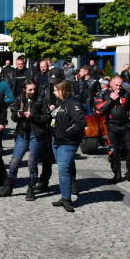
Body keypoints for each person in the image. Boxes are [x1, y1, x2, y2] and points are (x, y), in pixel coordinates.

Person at [0, 80, 49, 200]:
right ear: (24, 89)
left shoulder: (40, 99)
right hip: (22, 132)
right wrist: (18, 115)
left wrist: (33, 116)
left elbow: (46, 117)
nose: (32, 92)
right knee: (15, 161)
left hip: (36, 133)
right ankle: (9, 186)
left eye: (34, 89)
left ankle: (30, 188)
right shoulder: (19, 99)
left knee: (32, 161)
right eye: (30, 89)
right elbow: (13, 117)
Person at [95, 75, 130, 184]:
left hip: (125, 125)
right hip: (111, 126)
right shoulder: (103, 94)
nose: (118, 87)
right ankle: (117, 175)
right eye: (116, 85)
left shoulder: (126, 93)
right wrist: (111, 100)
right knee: (113, 151)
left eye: (120, 85)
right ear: (110, 84)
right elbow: (98, 110)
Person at [49, 80, 87, 212]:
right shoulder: (62, 103)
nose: (54, 93)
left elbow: (80, 122)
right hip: (57, 141)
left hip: (68, 142)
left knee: (63, 169)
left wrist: (66, 133)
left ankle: (66, 199)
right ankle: (65, 195)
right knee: (66, 168)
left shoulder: (73, 103)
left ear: (62, 90)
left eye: (55, 90)